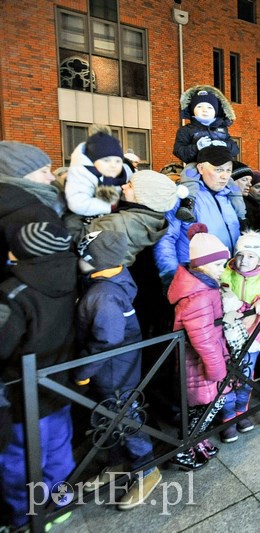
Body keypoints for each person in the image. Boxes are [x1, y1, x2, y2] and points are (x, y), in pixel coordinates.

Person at [73, 230, 161, 509]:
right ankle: (118, 463)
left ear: (93, 260)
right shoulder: (110, 279)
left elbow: (108, 339)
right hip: (117, 366)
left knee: (124, 417)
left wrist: (83, 371)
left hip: (113, 370)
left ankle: (147, 469)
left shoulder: (103, 294)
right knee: (108, 416)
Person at [0, 222, 77, 529]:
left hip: (22, 391)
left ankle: (26, 516)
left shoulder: (13, 293)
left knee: (20, 459)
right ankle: (60, 502)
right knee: (59, 447)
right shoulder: (70, 277)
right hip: (58, 382)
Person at [167, 224, 233, 470]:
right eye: (218, 265)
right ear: (202, 264)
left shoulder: (202, 286)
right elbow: (203, 338)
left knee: (203, 407)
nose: (222, 270)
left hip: (202, 362)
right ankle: (183, 448)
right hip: (201, 365)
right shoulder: (200, 295)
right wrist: (217, 370)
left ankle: (198, 442)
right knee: (206, 407)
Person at [155, 146, 241, 289]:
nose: (225, 176)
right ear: (201, 168)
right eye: (218, 170)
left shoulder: (228, 196)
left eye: (228, 170)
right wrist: (172, 277)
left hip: (225, 276)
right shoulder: (184, 197)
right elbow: (166, 239)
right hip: (194, 280)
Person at [218, 231, 260, 441]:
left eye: (251, 256)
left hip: (251, 339)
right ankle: (227, 418)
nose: (244, 260)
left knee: (245, 378)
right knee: (226, 380)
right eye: (241, 254)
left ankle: (241, 413)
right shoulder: (225, 274)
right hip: (227, 339)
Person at [83, 170, 189, 266]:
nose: (123, 186)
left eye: (130, 186)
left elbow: (80, 240)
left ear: (145, 197)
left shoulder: (120, 223)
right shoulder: (154, 219)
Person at [172, 85, 243, 223]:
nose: (205, 110)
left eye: (209, 107)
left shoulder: (222, 130)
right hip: (197, 162)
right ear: (192, 109)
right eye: (200, 106)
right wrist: (196, 147)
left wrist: (225, 145)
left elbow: (235, 149)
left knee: (232, 184)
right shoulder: (186, 130)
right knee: (189, 174)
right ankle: (188, 204)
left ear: (216, 111)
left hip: (220, 164)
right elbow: (178, 150)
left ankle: (241, 213)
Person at [0, 141, 67, 282]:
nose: (51, 177)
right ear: (17, 173)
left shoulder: (12, 204)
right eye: (44, 171)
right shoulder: (36, 212)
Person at [65, 125, 132, 218]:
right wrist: (110, 207)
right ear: (93, 161)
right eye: (106, 160)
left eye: (117, 161)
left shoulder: (124, 173)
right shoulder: (82, 173)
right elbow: (77, 203)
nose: (113, 165)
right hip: (87, 217)